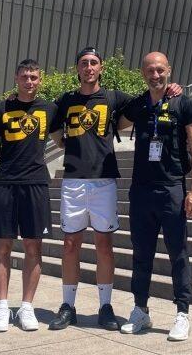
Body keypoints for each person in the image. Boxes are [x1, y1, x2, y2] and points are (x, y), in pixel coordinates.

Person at [47, 47, 182, 331]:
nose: (89, 67)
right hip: (73, 180)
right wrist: (67, 144)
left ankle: (105, 306)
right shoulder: (66, 100)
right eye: (84, 63)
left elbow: (146, 100)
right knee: (70, 244)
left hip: (104, 180)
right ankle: (68, 306)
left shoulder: (113, 97)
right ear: (77, 68)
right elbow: (55, 130)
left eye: (93, 63)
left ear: (101, 68)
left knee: (104, 245)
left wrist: (172, 88)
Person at [116, 52, 192, 341]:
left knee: (178, 253)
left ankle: (182, 313)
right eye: (150, 71)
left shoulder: (184, 104)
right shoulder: (139, 104)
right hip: (141, 190)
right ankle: (140, 310)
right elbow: (115, 120)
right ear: (143, 73)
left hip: (171, 189)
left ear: (169, 70)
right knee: (141, 254)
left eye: (160, 70)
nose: (156, 75)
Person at [0, 59, 57, 332]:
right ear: (16, 78)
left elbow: (64, 139)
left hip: (36, 184)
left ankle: (27, 307)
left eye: (34, 77)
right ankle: (2, 307)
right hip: (6, 183)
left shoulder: (50, 109)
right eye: (25, 77)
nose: (29, 81)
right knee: (2, 246)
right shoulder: (0, 109)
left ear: (40, 80)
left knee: (33, 247)